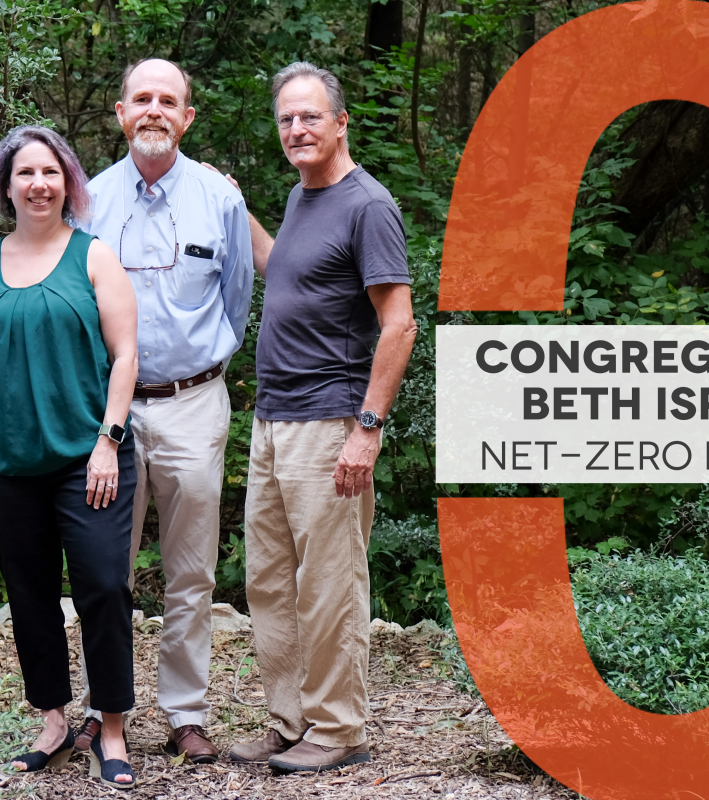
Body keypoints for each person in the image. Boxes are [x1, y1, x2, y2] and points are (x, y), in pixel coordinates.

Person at [228, 62, 417, 772]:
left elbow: (398, 325)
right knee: (271, 580)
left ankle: (338, 730)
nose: (296, 129)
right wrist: (237, 208)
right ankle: (290, 721)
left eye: (310, 116)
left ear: (341, 122)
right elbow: (288, 272)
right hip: (274, 419)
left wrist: (366, 431)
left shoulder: (368, 205)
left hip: (331, 419)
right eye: (286, 119)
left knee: (330, 582)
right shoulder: (303, 197)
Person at [76, 58, 254, 764]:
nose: (153, 110)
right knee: (102, 566)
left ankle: (185, 713)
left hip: (192, 403)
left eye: (168, 101)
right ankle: (101, 706)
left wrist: (205, 370)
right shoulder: (84, 200)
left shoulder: (220, 199)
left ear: (187, 117)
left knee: (191, 569)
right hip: (108, 415)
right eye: (141, 99)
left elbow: (238, 300)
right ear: (120, 113)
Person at [0, 125, 139, 790]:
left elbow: (126, 356)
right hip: (9, 465)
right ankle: (54, 719)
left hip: (87, 460)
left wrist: (107, 442)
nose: (39, 184)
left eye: (51, 173)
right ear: (6, 187)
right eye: (25, 173)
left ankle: (111, 725)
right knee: (29, 595)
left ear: (69, 184)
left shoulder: (93, 258)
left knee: (102, 587)